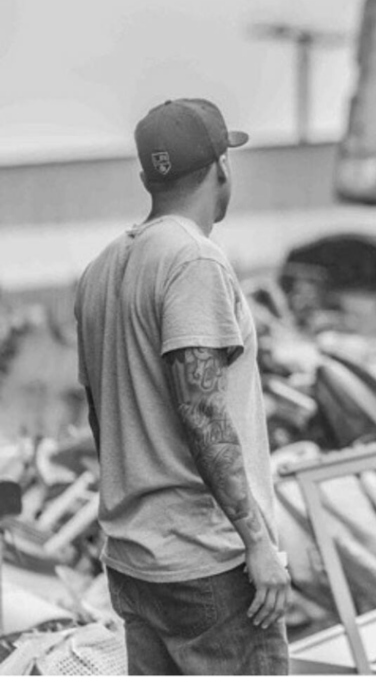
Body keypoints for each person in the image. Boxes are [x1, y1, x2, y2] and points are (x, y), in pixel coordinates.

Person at [76, 98, 290, 675]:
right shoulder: (194, 260)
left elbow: (101, 415)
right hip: (207, 565)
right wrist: (257, 542)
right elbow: (201, 410)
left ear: (148, 177)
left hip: (134, 562)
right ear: (222, 166)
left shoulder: (101, 271)